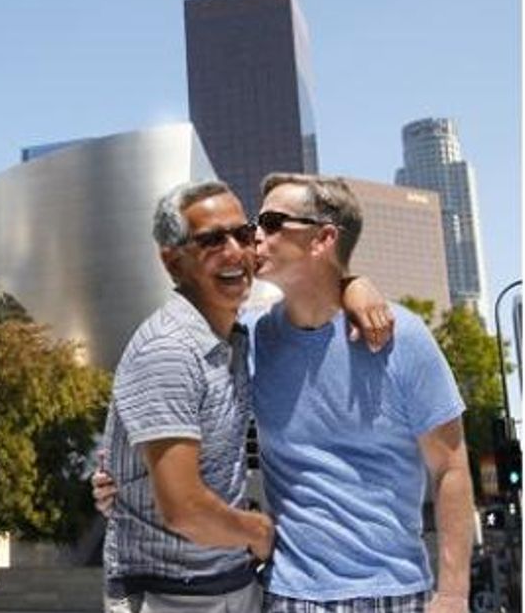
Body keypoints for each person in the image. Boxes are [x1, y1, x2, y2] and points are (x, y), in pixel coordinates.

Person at [95, 180, 391, 613]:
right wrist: (259, 532)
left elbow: (314, 290)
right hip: (168, 596)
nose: (235, 251)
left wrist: (354, 284)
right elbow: (184, 510)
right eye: (212, 240)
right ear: (172, 261)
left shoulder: (239, 338)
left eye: (242, 233)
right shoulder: (169, 350)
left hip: (232, 586)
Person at [250, 173, 473, 613]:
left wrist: (452, 594)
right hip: (290, 596)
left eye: (273, 223)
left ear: (323, 238)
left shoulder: (404, 337)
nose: (256, 235)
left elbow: (451, 468)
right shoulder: (254, 340)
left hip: (393, 594)